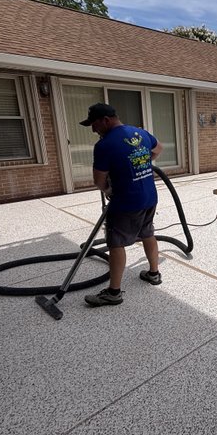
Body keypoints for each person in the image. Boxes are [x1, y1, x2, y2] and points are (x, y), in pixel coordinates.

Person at [79, 102, 164, 307]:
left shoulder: (104, 145)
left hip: (126, 201)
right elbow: (158, 148)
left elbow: (99, 181)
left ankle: (114, 292)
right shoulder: (140, 133)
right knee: (147, 233)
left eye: (94, 124)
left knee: (116, 243)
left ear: (106, 120)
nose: (93, 129)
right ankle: (154, 273)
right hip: (149, 196)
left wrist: (109, 191)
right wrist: (142, 164)